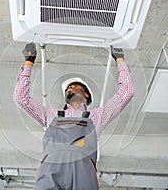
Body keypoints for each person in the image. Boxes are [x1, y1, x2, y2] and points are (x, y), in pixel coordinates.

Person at [14, 43, 135, 190]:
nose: (70, 88)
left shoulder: (97, 117)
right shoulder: (50, 115)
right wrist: (29, 62)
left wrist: (120, 60)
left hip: (82, 170)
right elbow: (21, 98)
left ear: (86, 95)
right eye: (68, 88)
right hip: (52, 167)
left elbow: (127, 92)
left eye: (75, 86)